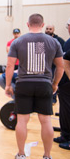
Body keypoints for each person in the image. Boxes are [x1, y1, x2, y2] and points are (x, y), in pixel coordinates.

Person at [5, 13, 64, 159]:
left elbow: (10, 65)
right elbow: (61, 67)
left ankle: (21, 154)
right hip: (44, 84)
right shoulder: (53, 42)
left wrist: (7, 85)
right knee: (46, 121)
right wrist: (55, 84)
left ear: (27, 24)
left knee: (22, 120)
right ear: (43, 25)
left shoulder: (18, 41)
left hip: (24, 84)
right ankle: (47, 156)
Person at [54, 18, 70, 150]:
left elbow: (66, 62)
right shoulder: (68, 42)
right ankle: (65, 135)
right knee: (65, 110)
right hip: (64, 84)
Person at [45, 24, 65, 104]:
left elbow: (63, 52)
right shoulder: (42, 39)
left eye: (50, 29)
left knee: (54, 82)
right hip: (45, 65)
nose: (48, 30)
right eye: (47, 28)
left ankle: (53, 99)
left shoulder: (59, 40)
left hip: (54, 65)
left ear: (53, 30)